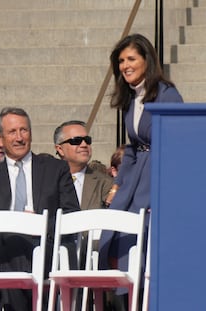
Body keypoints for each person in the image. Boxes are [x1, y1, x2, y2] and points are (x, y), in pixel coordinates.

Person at [98, 34, 184, 310]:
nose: (125, 65)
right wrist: (117, 185)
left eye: (131, 59)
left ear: (147, 60)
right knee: (119, 235)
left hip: (159, 177)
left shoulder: (167, 94)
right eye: (121, 61)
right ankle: (125, 300)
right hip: (135, 177)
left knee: (146, 243)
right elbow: (132, 148)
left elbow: (175, 143)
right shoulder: (129, 99)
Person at [0, 107, 80, 310]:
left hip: (46, 244)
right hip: (3, 249)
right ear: (0, 138)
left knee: (19, 251)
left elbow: (71, 212)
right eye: (12, 132)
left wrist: (38, 225)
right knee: (8, 246)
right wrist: (14, 225)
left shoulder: (55, 169)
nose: (19, 138)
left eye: (24, 130)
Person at [54, 120, 113, 210]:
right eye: (76, 141)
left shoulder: (105, 184)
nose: (84, 145)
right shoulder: (46, 181)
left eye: (87, 140)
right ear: (60, 149)